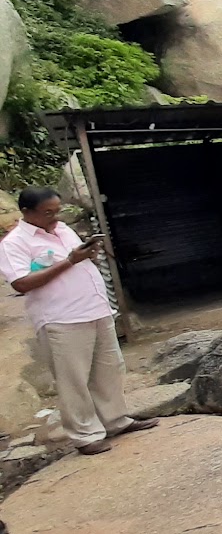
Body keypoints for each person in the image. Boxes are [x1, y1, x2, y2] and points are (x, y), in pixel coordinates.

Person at [1, 186, 157, 455]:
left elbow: (76, 260)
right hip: (62, 318)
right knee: (73, 379)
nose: (54, 217)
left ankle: (115, 420)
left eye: (57, 211)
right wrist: (70, 261)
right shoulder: (14, 243)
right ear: (26, 213)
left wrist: (86, 255)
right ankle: (85, 435)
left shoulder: (63, 230)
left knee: (108, 370)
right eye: (47, 213)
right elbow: (22, 282)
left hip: (95, 309)